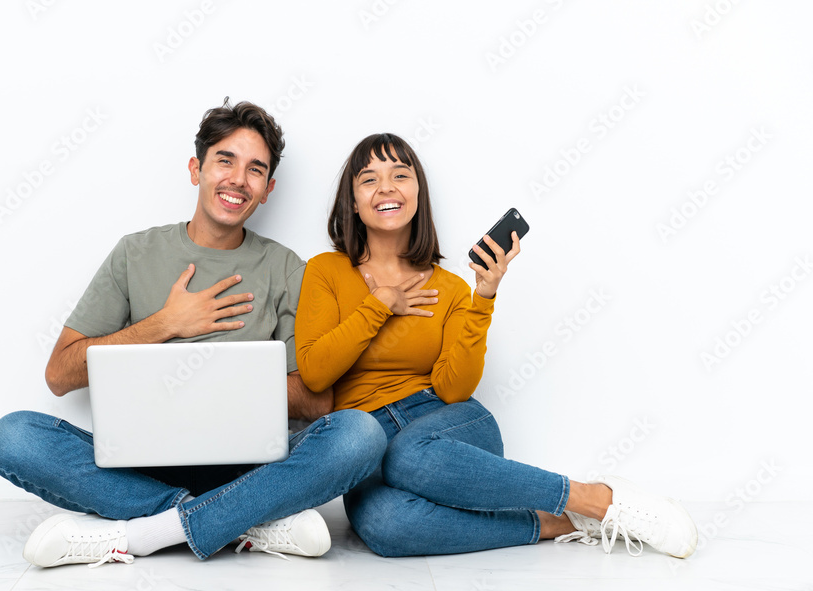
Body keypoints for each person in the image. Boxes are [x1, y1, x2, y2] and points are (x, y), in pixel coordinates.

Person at [0, 100, 387, 568]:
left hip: (250, 468)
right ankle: (245, 522)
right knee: (14, 436)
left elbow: (316, 401)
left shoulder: (286, 268)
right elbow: (60, 373)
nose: (238, 179)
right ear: (196, 169)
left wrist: (217, 387)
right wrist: (166, 324)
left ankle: (146, 533)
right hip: (140, 465)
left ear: (267, 190)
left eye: (255, 169)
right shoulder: (135, 253)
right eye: (225, 160)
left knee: (359, 433)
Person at [295, 133, 697, 558]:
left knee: (410, 456)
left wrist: (482, 298)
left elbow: (454, 390)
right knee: (388, 527)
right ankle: (552, 522)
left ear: (417, 193)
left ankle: (597, 499)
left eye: (400, 175)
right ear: (353, 202)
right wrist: (379, 305)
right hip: (366, 439)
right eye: (369, 179)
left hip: (443, 425)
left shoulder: (449, 287)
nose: (387, 187)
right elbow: (317, 373)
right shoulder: (325, 271)